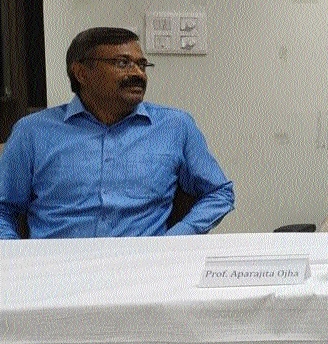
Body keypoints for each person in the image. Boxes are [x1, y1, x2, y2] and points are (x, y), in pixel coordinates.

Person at [0, 27, 234, 238]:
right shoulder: (32, 132)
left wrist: (174, 240)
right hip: (56, 269)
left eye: (141, 65)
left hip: (141, 268)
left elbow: (219, 192)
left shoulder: (175, 126)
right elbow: (3, 209)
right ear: (81, 73)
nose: (138, 74)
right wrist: (16, 259)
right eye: (122, 63)